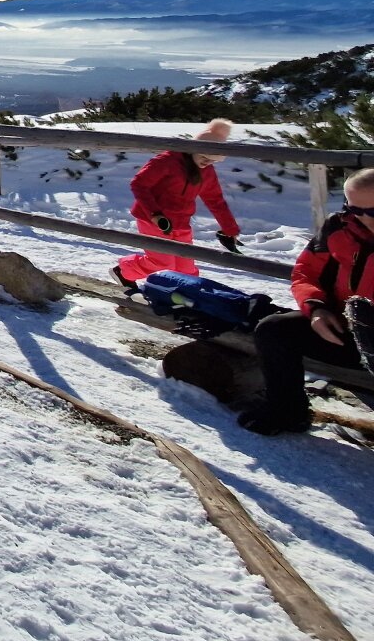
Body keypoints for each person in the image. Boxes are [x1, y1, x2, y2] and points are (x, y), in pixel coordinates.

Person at [237, 167, 374, 435]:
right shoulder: (339, 227)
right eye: (357, 210)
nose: (366, 219)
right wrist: (317, 309)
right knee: (273, 330)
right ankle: (287, 411)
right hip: (345, 331)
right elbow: (306, 272)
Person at [113, 118, 242, 292]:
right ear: (194, 148)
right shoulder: (168, 160)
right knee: (161, 261)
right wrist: (155, 214)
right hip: (154, 219)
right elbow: (139, 184)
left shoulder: (207, 172)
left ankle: (185, 295)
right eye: (204, 157)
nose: (207, 162)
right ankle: (123, 271)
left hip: (181, 222)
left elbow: (216, 200)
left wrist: (230, 229)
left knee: (186, 267)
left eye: (213, 160)